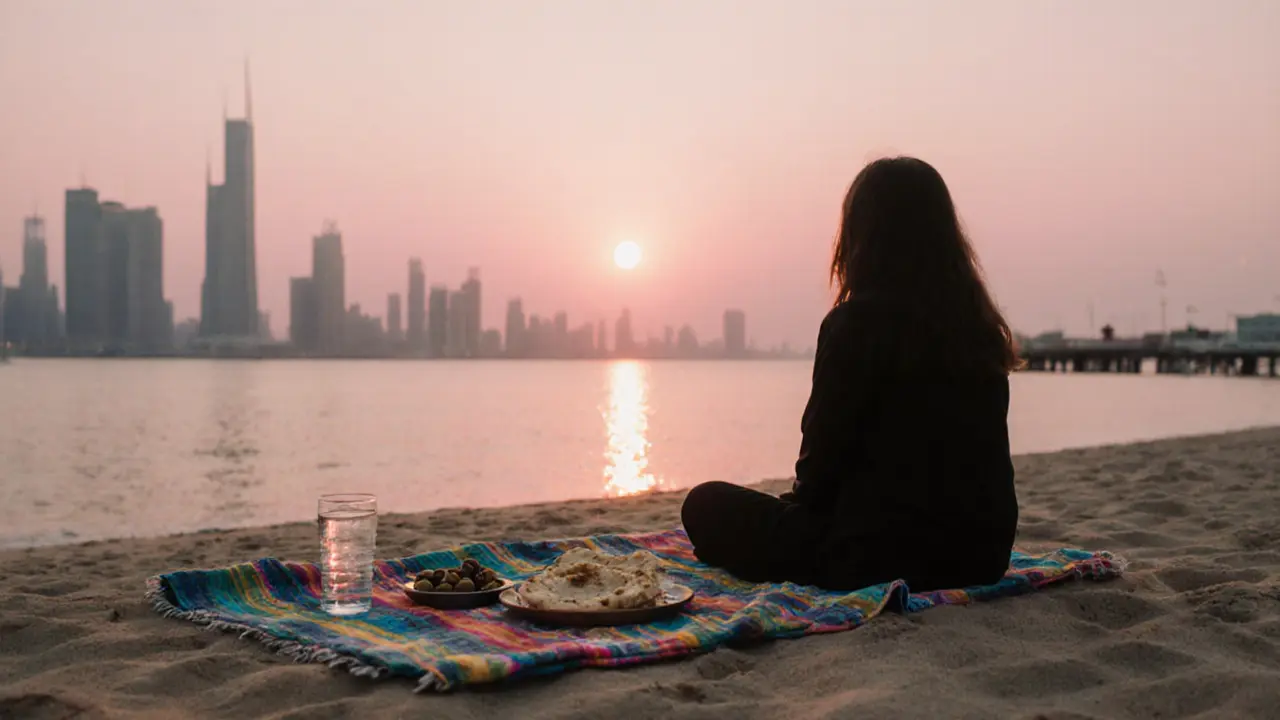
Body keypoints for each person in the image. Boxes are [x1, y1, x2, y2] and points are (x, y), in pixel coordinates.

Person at [681, 157, 1021, 592]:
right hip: (982, 556)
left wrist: (797, 512)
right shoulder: (978, 329)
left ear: (860, 238)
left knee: (704, 504)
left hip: (873, 557)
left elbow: (819, 473)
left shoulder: (854, 324)